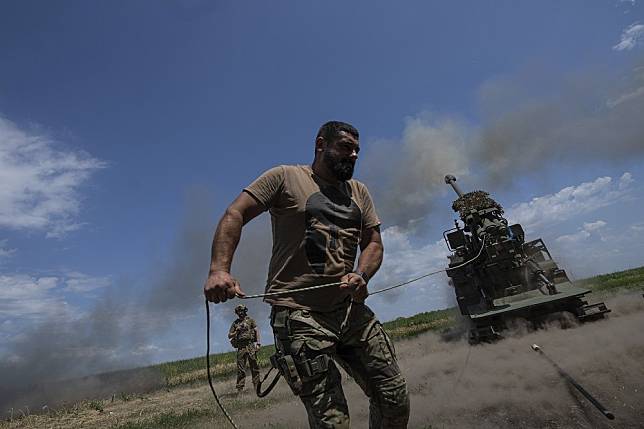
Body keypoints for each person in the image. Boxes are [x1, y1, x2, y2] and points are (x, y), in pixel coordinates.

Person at [204, 121, 410, 428]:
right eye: (344, 147)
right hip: (299, 316)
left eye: (356, 150)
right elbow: (236, 213)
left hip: (350, 311)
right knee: (332, 422)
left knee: (394, 399)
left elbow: (374, 242)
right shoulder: (284, 177)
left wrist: (362, 274)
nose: (352, 155)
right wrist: (219, 269)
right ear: (320, 144)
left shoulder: (359, 192)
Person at [228, 304, 261, 392]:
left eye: (242, 310)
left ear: (245, 311)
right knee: (241, 369)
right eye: (238, 311)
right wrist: (236, 331)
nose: (240, 312)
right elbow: (229, 335)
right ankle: (240, 389)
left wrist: (258, 343)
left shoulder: (250, 320)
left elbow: (256, 330)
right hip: (241, 347)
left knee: (254, 367)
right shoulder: (235, 323)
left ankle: (257, 387)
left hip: (250, 345)